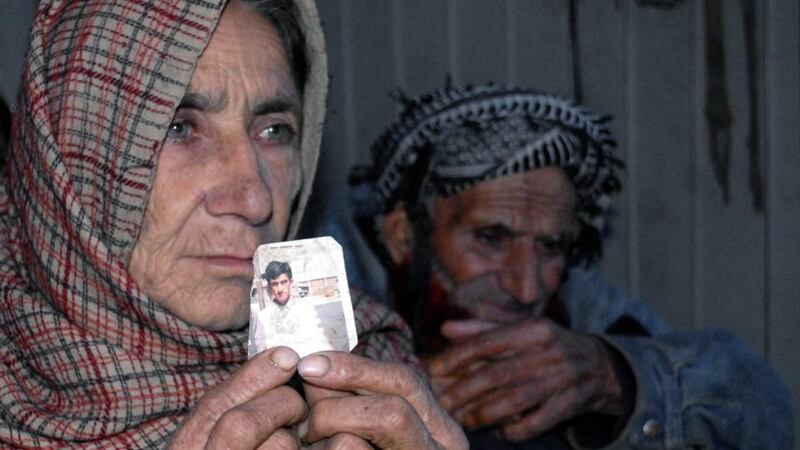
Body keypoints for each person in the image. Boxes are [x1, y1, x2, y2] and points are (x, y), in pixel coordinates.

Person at [0, 1, 467, 448]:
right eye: (179, 127)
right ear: (68, 153)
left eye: (274, 131)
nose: (256, 200)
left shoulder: (374, 373)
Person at [351, 83, 794, 449]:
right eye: (490, 238)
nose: (527, 288)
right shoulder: (333, 301)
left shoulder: (582, 306)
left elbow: (764, 410)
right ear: (404, 235)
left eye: (552, 245)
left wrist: (616, 378)